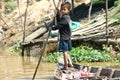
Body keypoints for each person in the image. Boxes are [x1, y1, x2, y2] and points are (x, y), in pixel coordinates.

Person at [48, 1, 73, 70]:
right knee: (66, 51)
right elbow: (60, 20)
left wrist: (51, 28)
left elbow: (58, 25)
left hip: (64, 38)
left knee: (64, 52)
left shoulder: (65, 18)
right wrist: (58, 12)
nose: (62, 11)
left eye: (64, 9)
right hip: (67, 37)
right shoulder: (66, 17)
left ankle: (65, 66)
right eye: (62, 9)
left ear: (68, 10)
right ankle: (70, 63)